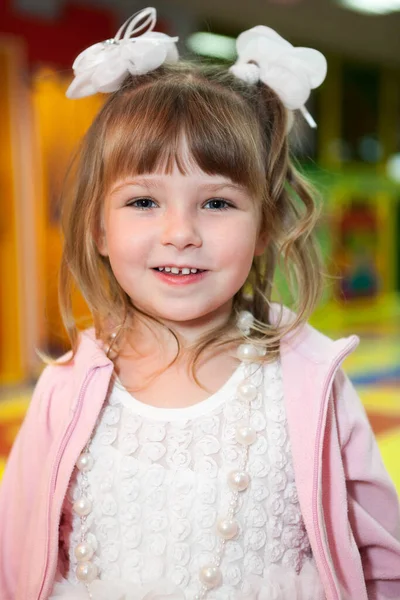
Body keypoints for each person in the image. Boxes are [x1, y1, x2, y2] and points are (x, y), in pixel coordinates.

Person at [1, 7, 399, 600]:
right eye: (142, 202)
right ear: (99, 229)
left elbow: (381, 559)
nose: (180, 231)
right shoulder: (65, 388)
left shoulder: (312, 384)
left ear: (264, 226)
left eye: (215, 203)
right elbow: (15, 558)